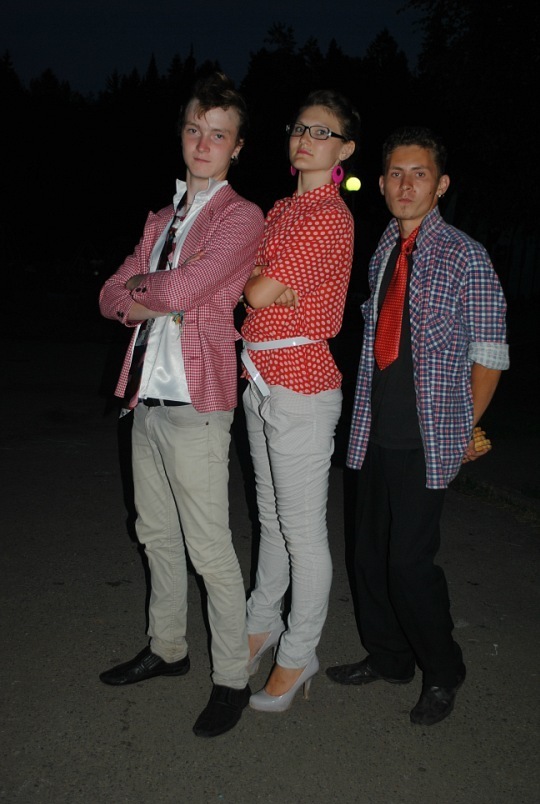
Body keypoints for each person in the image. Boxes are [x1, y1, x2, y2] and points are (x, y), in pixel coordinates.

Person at [98, 72, 264, 738]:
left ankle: (232, 679)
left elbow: (187, 289)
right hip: (146, 398)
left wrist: (146, 291)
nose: (203, 142)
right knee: (154, 533)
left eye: (218, 134)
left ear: (237, 147)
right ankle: (167, 648)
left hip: (198, 402)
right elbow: (109, 296)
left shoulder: (241, 217)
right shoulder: (161, 220)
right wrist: (148, 291)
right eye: (195, 129)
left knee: (209, 549)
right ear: (183, 134)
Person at [326, 126, 509, 726]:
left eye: (420, 174)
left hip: (427, 440)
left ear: (441, 184)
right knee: (367, 557)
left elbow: (489, 354)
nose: (406, 185)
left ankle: (443, 669)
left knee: (408, 563)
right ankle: (389, 657)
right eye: (396, 174)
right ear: (381, 183)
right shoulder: (384, 248)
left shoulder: (466, 256)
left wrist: (464, 429)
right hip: (373, 432)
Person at [240, 89, 360, 712]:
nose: (306, 138)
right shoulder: (282, 208)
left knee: (303, 532)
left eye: (322, 131)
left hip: (302, 385)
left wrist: (265, 285)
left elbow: (255, 293)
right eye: (299, 128)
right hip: (261, 378)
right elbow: (244, 279)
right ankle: (261, 624)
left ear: (344, 150)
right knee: (270, 517)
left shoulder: (329, 216)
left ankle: (299, 651)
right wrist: (261, 283)